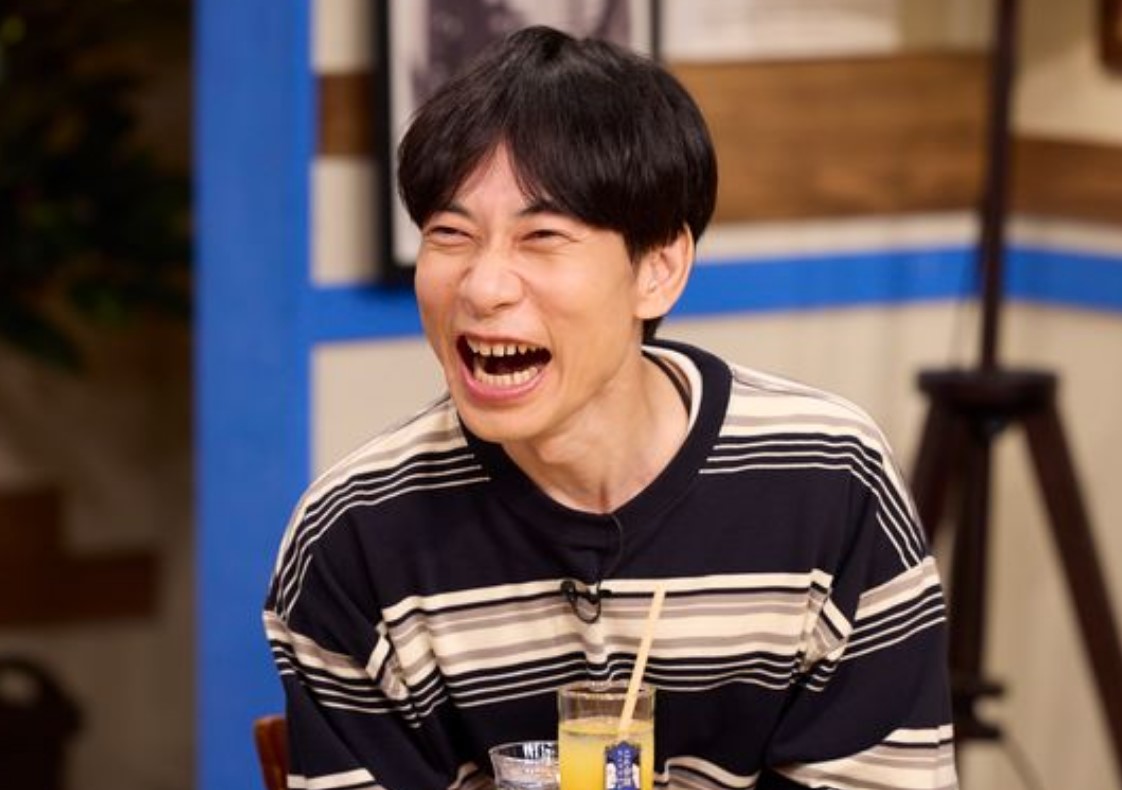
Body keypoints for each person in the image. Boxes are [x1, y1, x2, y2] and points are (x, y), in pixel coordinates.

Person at [264, 25, 957, 790]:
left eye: (542, 236)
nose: (483, 287)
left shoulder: (827, 482)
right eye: (450, 234)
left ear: (658, 269)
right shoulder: (354, 535)